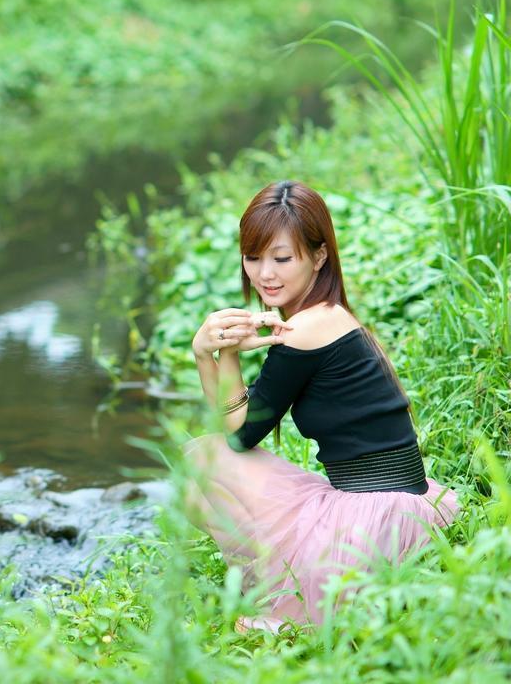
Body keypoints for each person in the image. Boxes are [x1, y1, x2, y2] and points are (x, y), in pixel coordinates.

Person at [180, 180, 458, 633]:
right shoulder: (326, 317)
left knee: (205, 458)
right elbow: (237, 419)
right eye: (254, 257)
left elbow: (239, 434)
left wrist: (219, 353)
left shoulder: (309, 327)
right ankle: (298, 598)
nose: (265, 273)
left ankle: (301, 616)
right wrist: (207, 353)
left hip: (373, 521)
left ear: (320, 255)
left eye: (282, 258)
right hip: (399, 505)